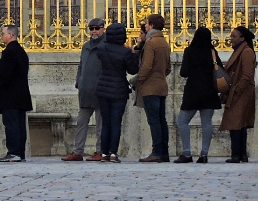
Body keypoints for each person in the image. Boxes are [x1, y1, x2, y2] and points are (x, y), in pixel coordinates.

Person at [174, 26, 222, 163]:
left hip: (193, 92)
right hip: (209, 92)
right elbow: (219, 69)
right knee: (207, 123)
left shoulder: (190, 51)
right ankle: (204, 154)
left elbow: (184, 72)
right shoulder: (212, 52)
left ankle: (187, 153)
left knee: (182, 121)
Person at [62, 18, 105, 161]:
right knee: (81, 122)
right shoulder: (86, 46)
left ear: (103, 29)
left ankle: (100, 150)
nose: (93, 31)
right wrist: (78, 81)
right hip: (85, 90)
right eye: (91, 28)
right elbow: (81, 66)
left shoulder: (106, 45)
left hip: (100, 89)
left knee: (100, 124)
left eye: (96, 28)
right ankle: (78, 151)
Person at [95, 22, 139, 163]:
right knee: (116, 122)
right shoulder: (125, 52)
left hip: (103, 87)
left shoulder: (101, 48)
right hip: (119, 89)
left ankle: (104, 153)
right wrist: (133, 55)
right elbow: (132, 70)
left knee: (105, 122)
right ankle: (113, 153)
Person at [0, 24, 32, 163]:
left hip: (10, 95)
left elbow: (6, 74)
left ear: (11, 35)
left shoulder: (10, 52)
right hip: (20, 95)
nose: (1, 36)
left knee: (11, 125)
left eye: (3, 33)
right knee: (19, 125)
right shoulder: (21, 51)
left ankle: (14, 152)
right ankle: (19, 152)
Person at [137, 13, 172, 162]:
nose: (145, 26)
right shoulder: (164, 42)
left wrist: (139, 80)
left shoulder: (151, 43)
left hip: (150, 86)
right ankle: (164, 151)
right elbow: (168, 68)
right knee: (161, 120)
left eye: (146, 23)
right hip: (161, 85)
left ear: (151, 25)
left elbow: (146, 66)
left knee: (153, 121)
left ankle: (156, 151)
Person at [219, 25, 256, 163]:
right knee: (239, 123)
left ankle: (237, 154)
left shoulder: (246, 52)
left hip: (242, 92)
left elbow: (247, 75)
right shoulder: (240, 51)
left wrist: (236, 90)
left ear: (242, 37)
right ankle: (241, 154)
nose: (231, 39)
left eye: (234, 36)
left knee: (235, 122)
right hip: (239, 91)